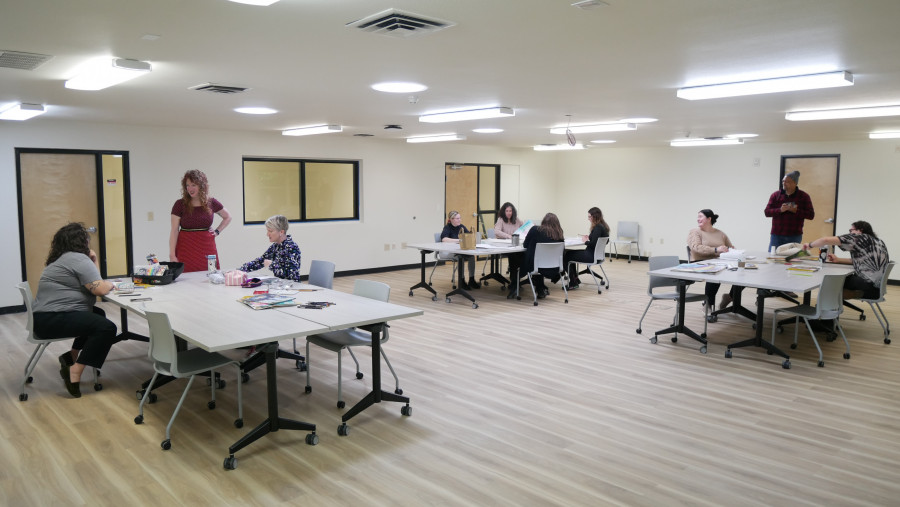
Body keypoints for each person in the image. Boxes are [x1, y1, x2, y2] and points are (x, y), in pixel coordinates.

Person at [31, 223, 118, 398]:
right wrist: (112, 284)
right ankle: (74, 372)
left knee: (97, 314)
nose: (88, 241)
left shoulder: (63, 258)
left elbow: (94, 282)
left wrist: (94, 262)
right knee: (106, 327)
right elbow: (100, 288)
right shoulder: (77, 259)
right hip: (53, 319)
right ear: (80, 241)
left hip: (44, 318)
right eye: (86, 238)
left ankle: (71, 356)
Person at [803, 220, 890, 299]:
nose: (850, 233)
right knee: (837, 279)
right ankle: (839, 299)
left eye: (851, 230)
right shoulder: (878, 241)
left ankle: (829, 310)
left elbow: (825, 240)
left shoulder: (860, 238)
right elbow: (862, 261)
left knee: (830, 280)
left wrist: (810, 245)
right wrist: (839, 260)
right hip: (877, 286)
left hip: (867, 284)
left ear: (860, 230)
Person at [170, 169, 232, 272]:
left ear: (202, 185)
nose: (190, 188)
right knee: (185, 278)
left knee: (210, 276)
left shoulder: (211, 202)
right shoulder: (179, 204)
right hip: (185, 247)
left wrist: (217, 231)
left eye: (193, 185)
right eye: (187, 185)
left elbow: (228, 216)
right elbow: (174, 230)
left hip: (207, 247)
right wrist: (172, 254)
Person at [687, 209, 743, 311]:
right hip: (700, 262)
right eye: (697, 217)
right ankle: (708, 304)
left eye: (700, 216)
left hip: (720, 262)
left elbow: (730, 248)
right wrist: (716, 250)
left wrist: (732, 251)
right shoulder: (695, 232)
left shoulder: (720, 233)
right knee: (716, 272)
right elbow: (696, 247)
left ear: (709, 219)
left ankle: (730, 297)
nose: (698, 219)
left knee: (743, 270)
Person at [506, 213, 565, 299]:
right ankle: (540, 289)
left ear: (543, 221)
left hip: (536, 265)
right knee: (538, 259)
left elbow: (525, 245)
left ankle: (515, 285)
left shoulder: (535, 230)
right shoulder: (559, 234)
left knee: (513, 256)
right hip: (554, 267)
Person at [237, 215, 302, 282]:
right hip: (280, 285)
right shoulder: (275, 246)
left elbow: (291, 274)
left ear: (281, 232)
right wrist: (240, 270)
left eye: (270, 231)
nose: (267, 234)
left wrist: (272, 265)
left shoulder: (291, 247)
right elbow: (260, 261)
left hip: (292, 287)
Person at [764, 170, 815, 250]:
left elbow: (811, 215)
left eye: (787, 182)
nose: (784, 183)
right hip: (776, 235)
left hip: (794, 235)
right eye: (783, 181)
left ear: (795, 183)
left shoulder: (803, 196)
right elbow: (767, 212)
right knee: (773, 258)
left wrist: (796, 211)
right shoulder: (776, 195)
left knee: (791, 259)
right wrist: (780, 210)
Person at [563, 207, 610, 289]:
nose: (588, 219)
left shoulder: (598, 227)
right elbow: (605, 241)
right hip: (597, 256)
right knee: (569, 253)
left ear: (594, 216)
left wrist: (585, 241)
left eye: (589, 217)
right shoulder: (603, 227)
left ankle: (573, 282)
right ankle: (575, 280)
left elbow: (593, 244)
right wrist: (590, 237)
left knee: (566, 255)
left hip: (590, 256)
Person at [440, 210, 479, 289]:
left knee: (471, 257)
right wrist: (458, 240)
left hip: (461, 250)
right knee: (460, 257)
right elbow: (444, 239)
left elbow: (468, 236)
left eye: (460, 218)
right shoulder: (447, 227)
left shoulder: (461, 226)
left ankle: (471, 279)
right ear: (451, 219)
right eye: (457, 218)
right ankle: (462, 281)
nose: (459, 220)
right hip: (450, 252)